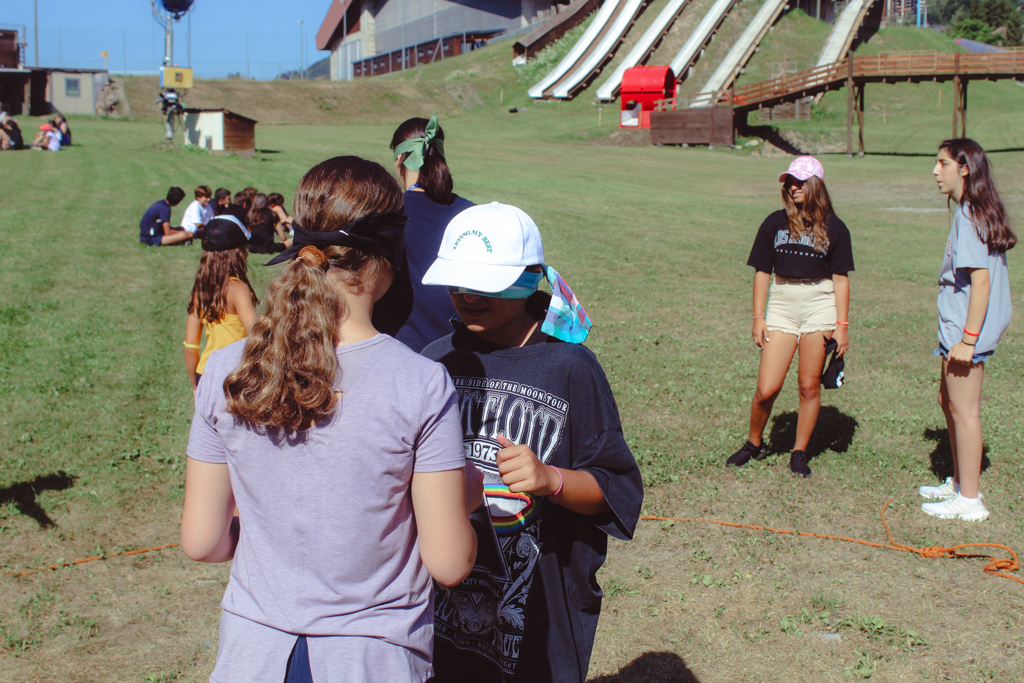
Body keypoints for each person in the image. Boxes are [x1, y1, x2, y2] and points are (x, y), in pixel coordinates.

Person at [181, 155, 481, 683]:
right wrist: (464, 496)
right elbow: (450, 562)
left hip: (253, 655)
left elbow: (203, 541)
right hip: (371, 658)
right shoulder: (420, 382)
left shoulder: (225, 371)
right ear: (390, 252)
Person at [420, 202, 643, 683]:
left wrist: (551, 479)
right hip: (442, 611)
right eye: (458, 281)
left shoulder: (571, 368)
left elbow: (616, 490)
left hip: (538, 617)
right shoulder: (435, 362)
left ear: (528, 280)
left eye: (486, 284)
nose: (468, 296)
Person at [726, 156, 854, 477]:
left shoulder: (836, 228)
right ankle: (754, 443)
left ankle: (799, 452)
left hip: (820, 302)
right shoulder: (774, 223)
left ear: (816, 185)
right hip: (782, 302)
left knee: (809, 386)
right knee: (767, 388)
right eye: (790, 182)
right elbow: (761, 272)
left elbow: (840, 279)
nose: (793, 187)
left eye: (800, 182)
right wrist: (758, 316)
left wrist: (842, 326)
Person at [919, 138, 1016, 522]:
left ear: (964, 169)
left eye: (942, 163)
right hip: (956, 329)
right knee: (948, 402)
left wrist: (968, 341)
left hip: (965, 333)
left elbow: (982, 283)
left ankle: (971, 500)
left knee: (965, 411)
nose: (935, 171)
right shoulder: (970, 209)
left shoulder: (969, 215)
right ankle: (959, 483)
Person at [372, 112, 475, 353]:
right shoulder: (471, 213)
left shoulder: (388, 215)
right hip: (464, 352)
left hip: (403, 353)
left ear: (400, 159)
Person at [183, 218, 259, 393]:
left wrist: (195, 386)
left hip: (205, 374)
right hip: (234, 375)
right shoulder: (238, 289)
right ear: (238, 253)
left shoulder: (200, 290)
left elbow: (190, 346)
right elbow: (256, 336)